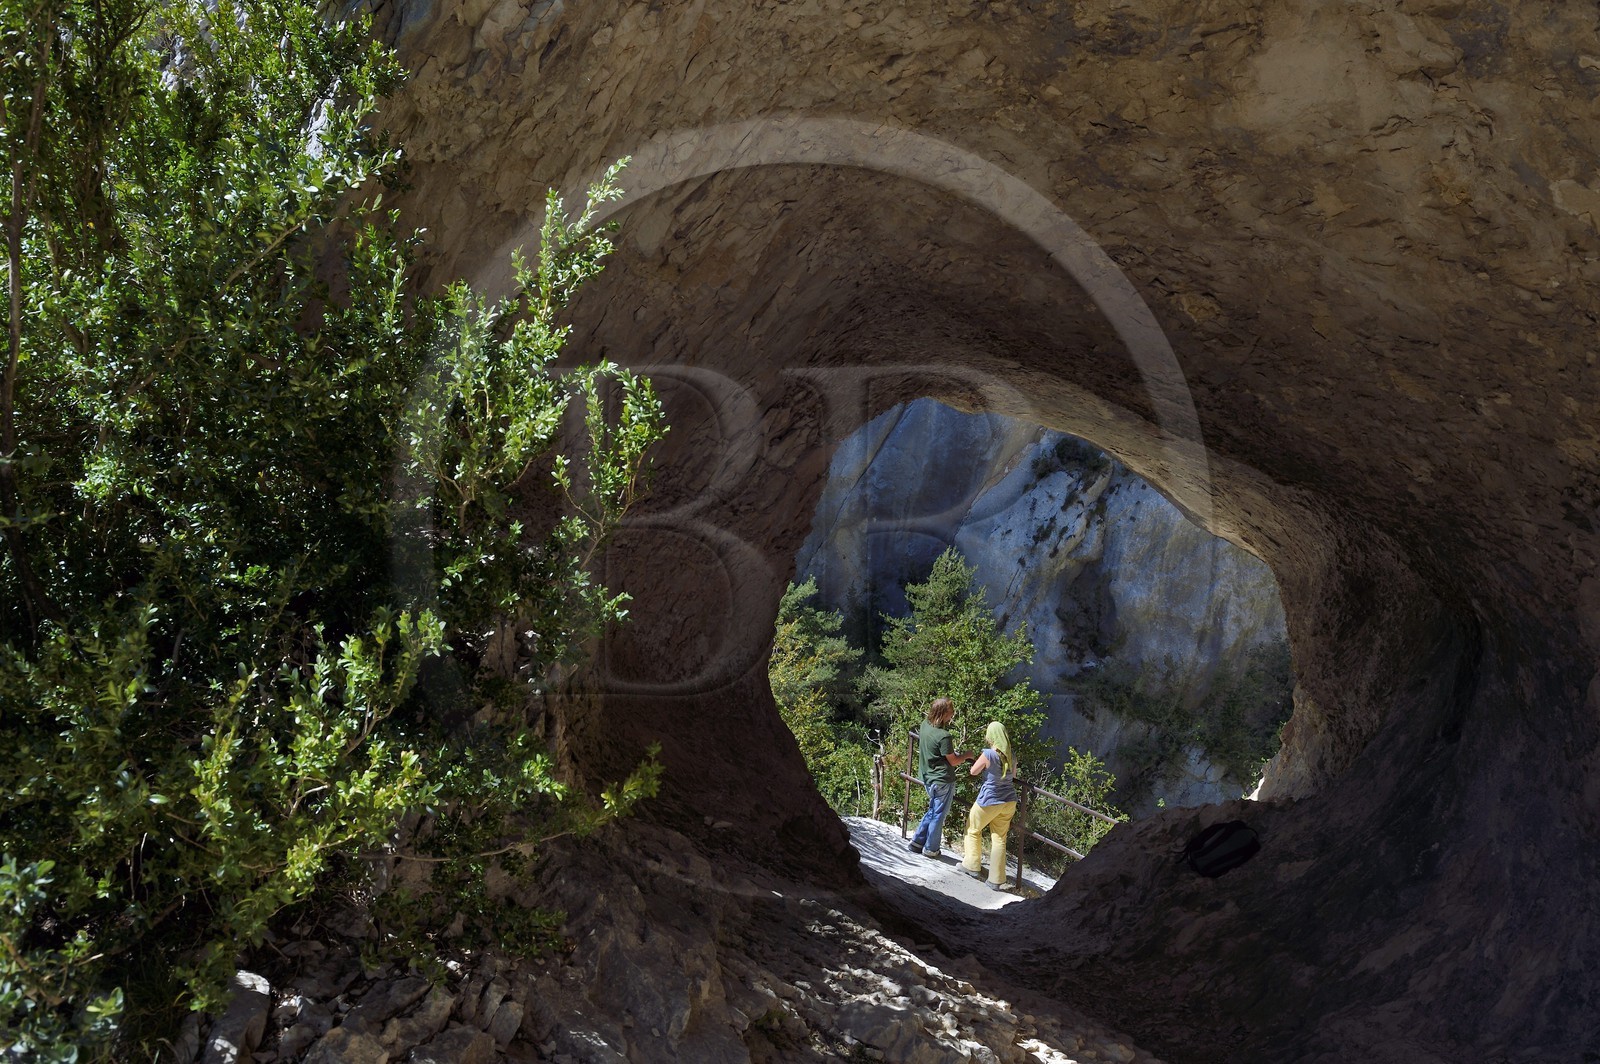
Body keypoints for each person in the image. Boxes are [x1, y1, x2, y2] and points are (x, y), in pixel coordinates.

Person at [907, 697, 973, 858]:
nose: (952, 716)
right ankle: (931, 848)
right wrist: (967, 755)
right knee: (938, 814)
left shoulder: (924, 725)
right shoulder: (944, 736)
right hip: (942, 779)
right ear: (943, 713)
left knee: (933, 810)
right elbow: (954, 760)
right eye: (950, 713)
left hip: (927, 776)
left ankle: (917, 842)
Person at [960, 720, 1019, 891]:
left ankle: (972, 865)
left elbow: (974, 771)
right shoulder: (1012, 755)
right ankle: (996, 880)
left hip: (990, 800)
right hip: (1009, 801)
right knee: (999, 838)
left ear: (992, 736)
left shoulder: (989, 754)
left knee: (973, 828)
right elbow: (1013, 776)